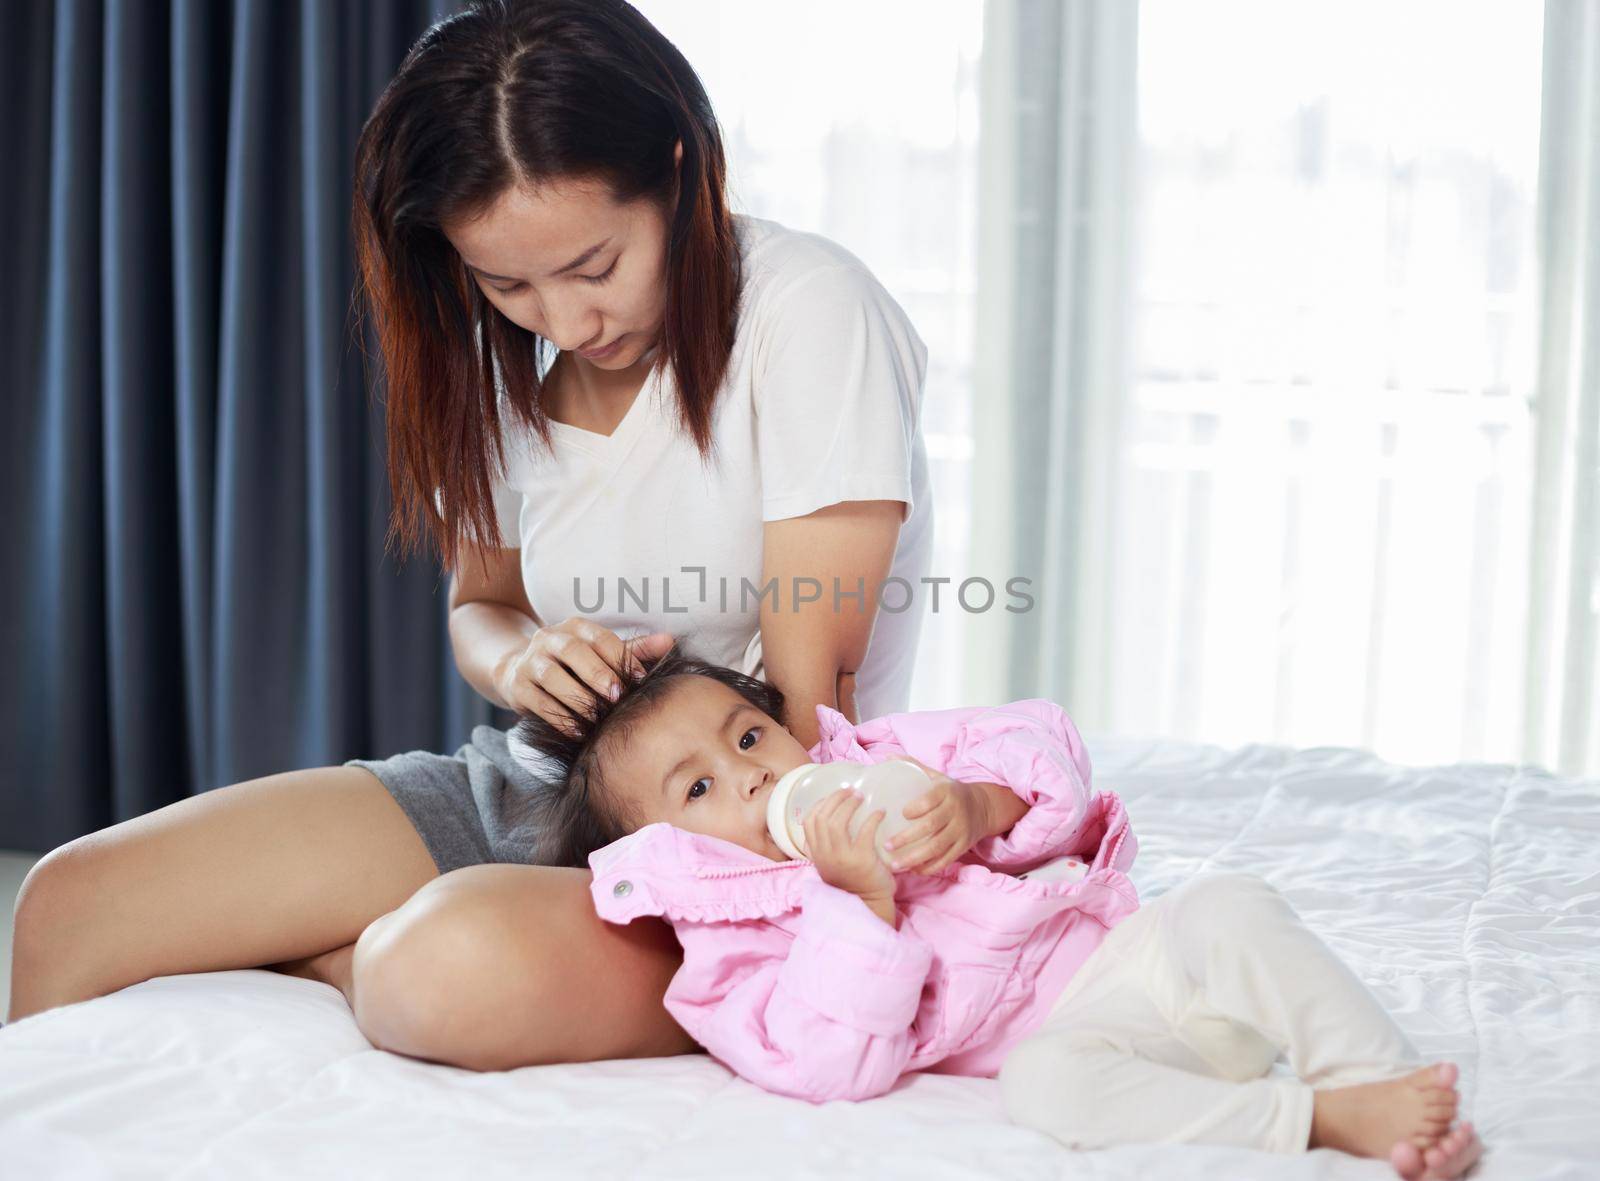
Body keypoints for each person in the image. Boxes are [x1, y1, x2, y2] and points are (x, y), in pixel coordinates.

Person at [7, 0, 934, 1075]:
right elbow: (478, 608)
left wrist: (814, 888)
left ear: (680, 172)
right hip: (532, 784)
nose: (566, 320)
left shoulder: (807, 309)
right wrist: (526, 658)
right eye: (509, 284)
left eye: (594, 265)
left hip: (730, 845)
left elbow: (818, 692)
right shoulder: (506, 364)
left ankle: (336, 956)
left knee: (438, 968)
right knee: (66, 903)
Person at [511, 642, 1485, 1181]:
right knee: (1044, 1086)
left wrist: (980, 802)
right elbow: (825, 1062)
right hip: (1086, 1034)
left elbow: (1036, 746)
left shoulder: (873, 761)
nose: (756, 771)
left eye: (751, 732)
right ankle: (1313, 1116)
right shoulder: (725, 954)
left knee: (1226, 903)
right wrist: (856, 903)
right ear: (666, 849)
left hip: (1133, 956)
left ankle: (1387, 1085)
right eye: (699, 788)